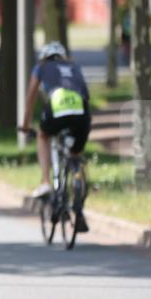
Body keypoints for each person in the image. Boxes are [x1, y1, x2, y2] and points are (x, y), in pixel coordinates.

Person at [19, 40, 91, 233]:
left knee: (43, 135)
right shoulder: (74, 66)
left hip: (57, 106)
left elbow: (31, 97)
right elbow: (86, 93)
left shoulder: (41, 67)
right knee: (76, 156)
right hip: (81, 111)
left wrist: (25, 125)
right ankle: (79, 205)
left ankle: (45, 182)